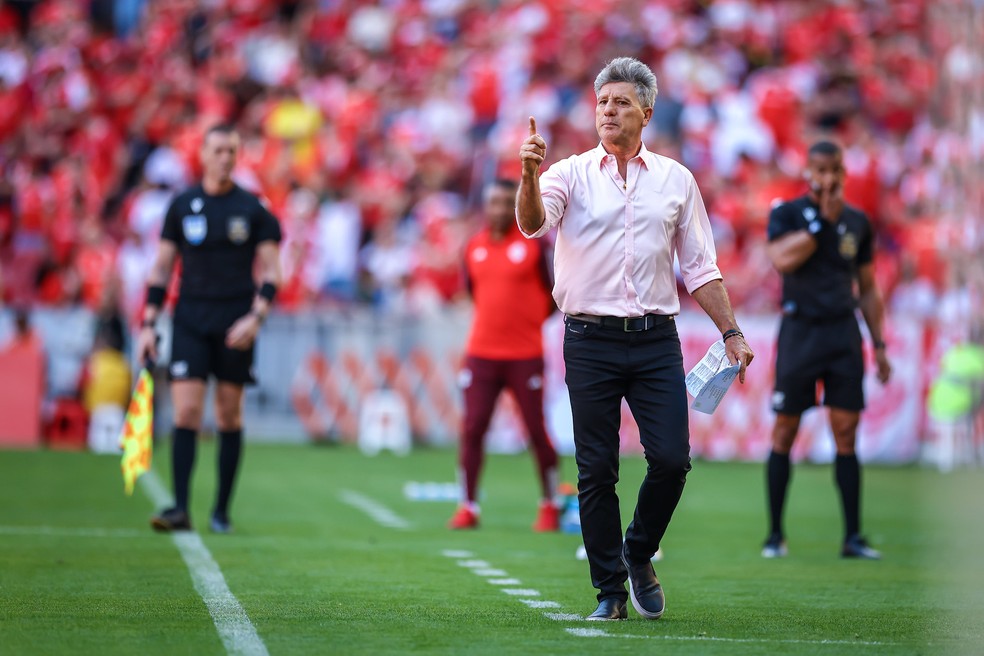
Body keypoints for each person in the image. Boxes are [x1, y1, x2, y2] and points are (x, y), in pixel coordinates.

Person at [517, 57, 753, 621]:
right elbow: (531, 224)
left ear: (646, 112)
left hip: (654, 339)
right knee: (596, 469)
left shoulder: (676, 180)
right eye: (602, 103)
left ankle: (638, 551)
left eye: (621, 103)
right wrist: (527, 174)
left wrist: (732, 332)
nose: (608, 112)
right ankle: (609, 592)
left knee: (672, 460)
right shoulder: (566, 173)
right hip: (589, 338)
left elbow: (701, 267)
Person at [136, 124, 282, 534]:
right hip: (190, 319)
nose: (225, 158)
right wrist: (148, 322)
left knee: (228, 414)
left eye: (231, 151)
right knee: (185, 410)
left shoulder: (253, 209)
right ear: (201, 154)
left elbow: (273, 272)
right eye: (218, 150)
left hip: (235, 320)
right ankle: (180, 507)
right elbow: (162, 269)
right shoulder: (182, 205)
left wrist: (256, 317)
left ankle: (221, 511)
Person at [762, 140, 892, 560]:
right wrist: (821, 222)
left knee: (846, 432)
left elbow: (868, 288)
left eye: (834, 169)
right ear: (807, 172)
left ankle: (852, 537)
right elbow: (782, 260)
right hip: (800, 330)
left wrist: (880, 343)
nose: (828, 177)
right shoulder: (787, 213)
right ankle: (775, 535)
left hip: (842, 333)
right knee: (785, 429)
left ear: (843, 173)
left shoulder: (857, 222)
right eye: (820, 169)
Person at [447, 178, 561, 532]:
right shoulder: (474, 246)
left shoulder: (533, 245)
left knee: (535, 430)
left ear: (515, 207)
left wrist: (524, 324)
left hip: (524, 354)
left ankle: (550, 503)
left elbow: (554, 296)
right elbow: (473, 293)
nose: (497, 209)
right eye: (492, 202)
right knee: (472, 427)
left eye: (504, 203)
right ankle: (468, 505)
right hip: (481, 354)